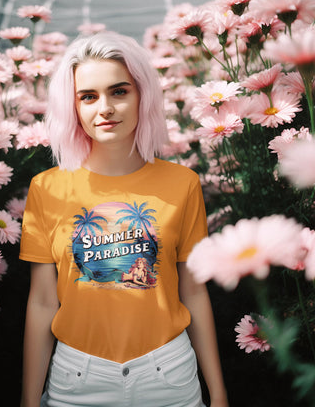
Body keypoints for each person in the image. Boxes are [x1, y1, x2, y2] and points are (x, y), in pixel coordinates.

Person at [19, 31, 229, 407]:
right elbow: (41, 302)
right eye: (88, 96)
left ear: (141, 95)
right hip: (76, 380)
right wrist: (29, 400)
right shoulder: (46, 188)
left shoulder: (182, 184)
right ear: (73, 107)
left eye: (119, 91)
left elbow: (194, 292)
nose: (105, 108)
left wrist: (219, 393)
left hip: (169, 377)